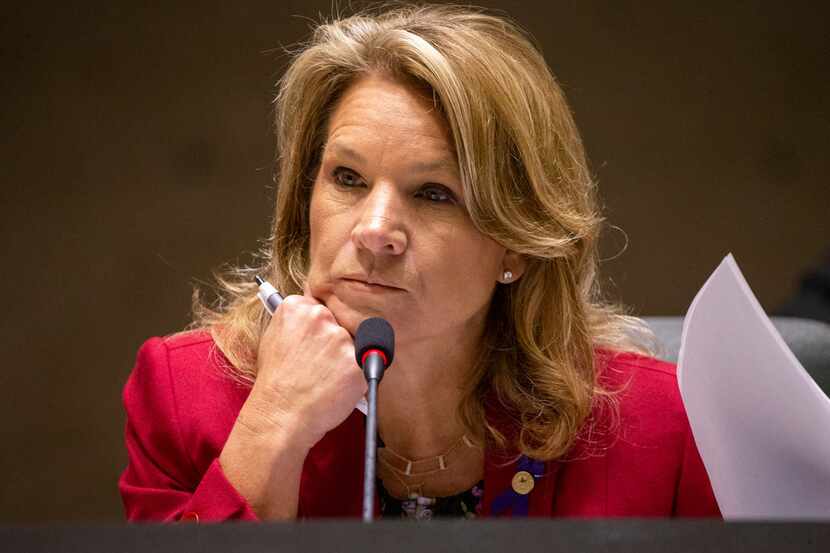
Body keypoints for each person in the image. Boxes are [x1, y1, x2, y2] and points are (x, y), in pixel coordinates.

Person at [119, 3, 720, 521]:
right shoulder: (188, 396)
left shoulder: (662, 429)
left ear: (516, 243)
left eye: (435, 193)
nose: (375, 230)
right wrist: (273, 424)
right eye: (348, 179)